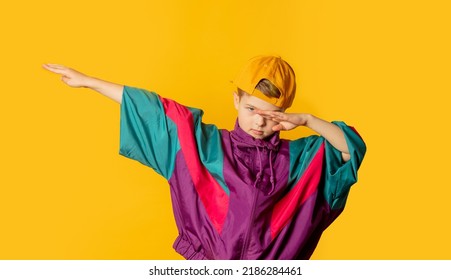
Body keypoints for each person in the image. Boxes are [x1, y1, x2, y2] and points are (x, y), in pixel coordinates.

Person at [43, 55, 366, 260]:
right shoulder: (206, 146)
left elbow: (350, 149)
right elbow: (157, 112)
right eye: (252, 109)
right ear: (236, 99)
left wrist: (308, 120)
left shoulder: (299, 161)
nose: (260, 122)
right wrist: (90, 82)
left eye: (273, 115)